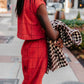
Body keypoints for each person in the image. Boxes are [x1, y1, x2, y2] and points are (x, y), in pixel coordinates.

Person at [15, 0, 63, 84]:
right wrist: (59, 32)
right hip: (38, 49)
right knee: (34, 81)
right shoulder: (38, 3)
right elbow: (52, 35)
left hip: (27, 47)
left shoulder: (23, 1)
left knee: (29, 80)